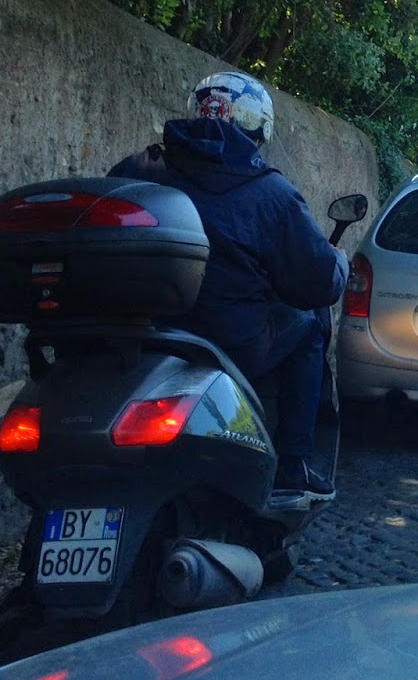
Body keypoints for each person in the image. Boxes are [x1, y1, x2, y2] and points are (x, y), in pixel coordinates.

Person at [109, 70, 349, 496]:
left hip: (138, 332)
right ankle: (292, 463)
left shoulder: (138, 168)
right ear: (257, 130)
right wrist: (339, 265)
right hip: (230, 344)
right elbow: (317, 285)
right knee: (309, 328)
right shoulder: (271, 192)